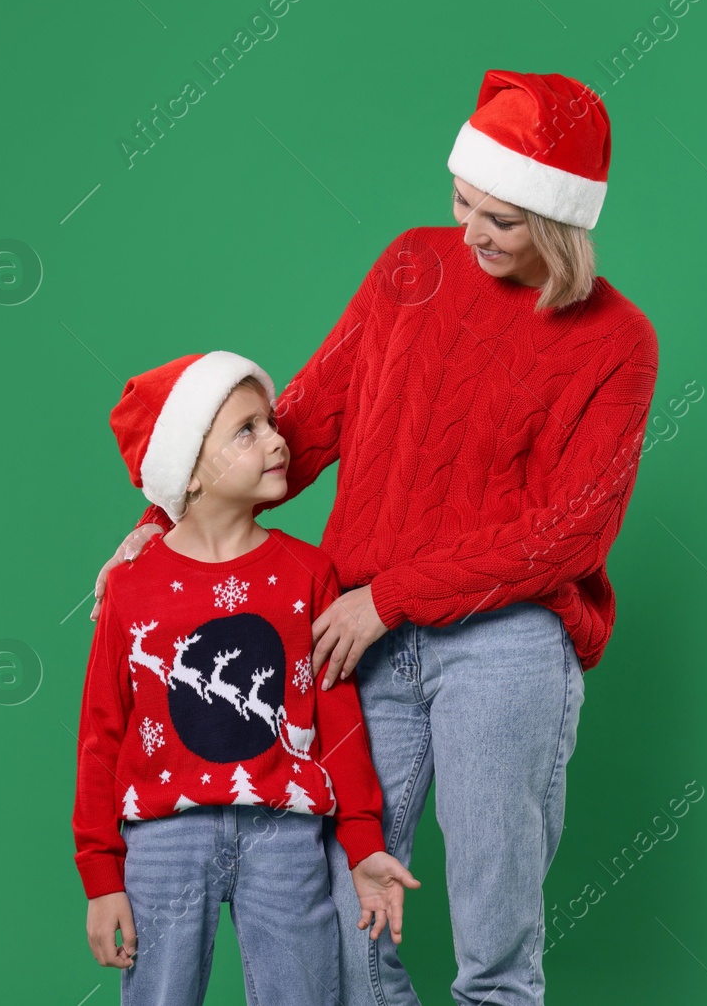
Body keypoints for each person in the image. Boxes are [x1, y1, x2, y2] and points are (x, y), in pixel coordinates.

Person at [91, 69, 659, 1005]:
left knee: (493, 932)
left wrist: (389, 596)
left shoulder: (618, 341)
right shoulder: (413, 266)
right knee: (348, 920)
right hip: (360, 641)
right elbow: (305, 420)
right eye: (460, 201)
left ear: (559, 225)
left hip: (500, 644)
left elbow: (569, 535)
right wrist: (166, 521)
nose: (469, 232)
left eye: (501, 220)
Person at [73, 351, 420, 1005]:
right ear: (188, 471)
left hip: (286, 837)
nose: (277, 439)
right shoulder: (129, 587)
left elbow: (339, 721)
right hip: (164, 840)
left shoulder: (310, 573)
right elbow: (100, 733)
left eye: (269, 422)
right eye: (246, 430)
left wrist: (364, 842)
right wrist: (101, 875)